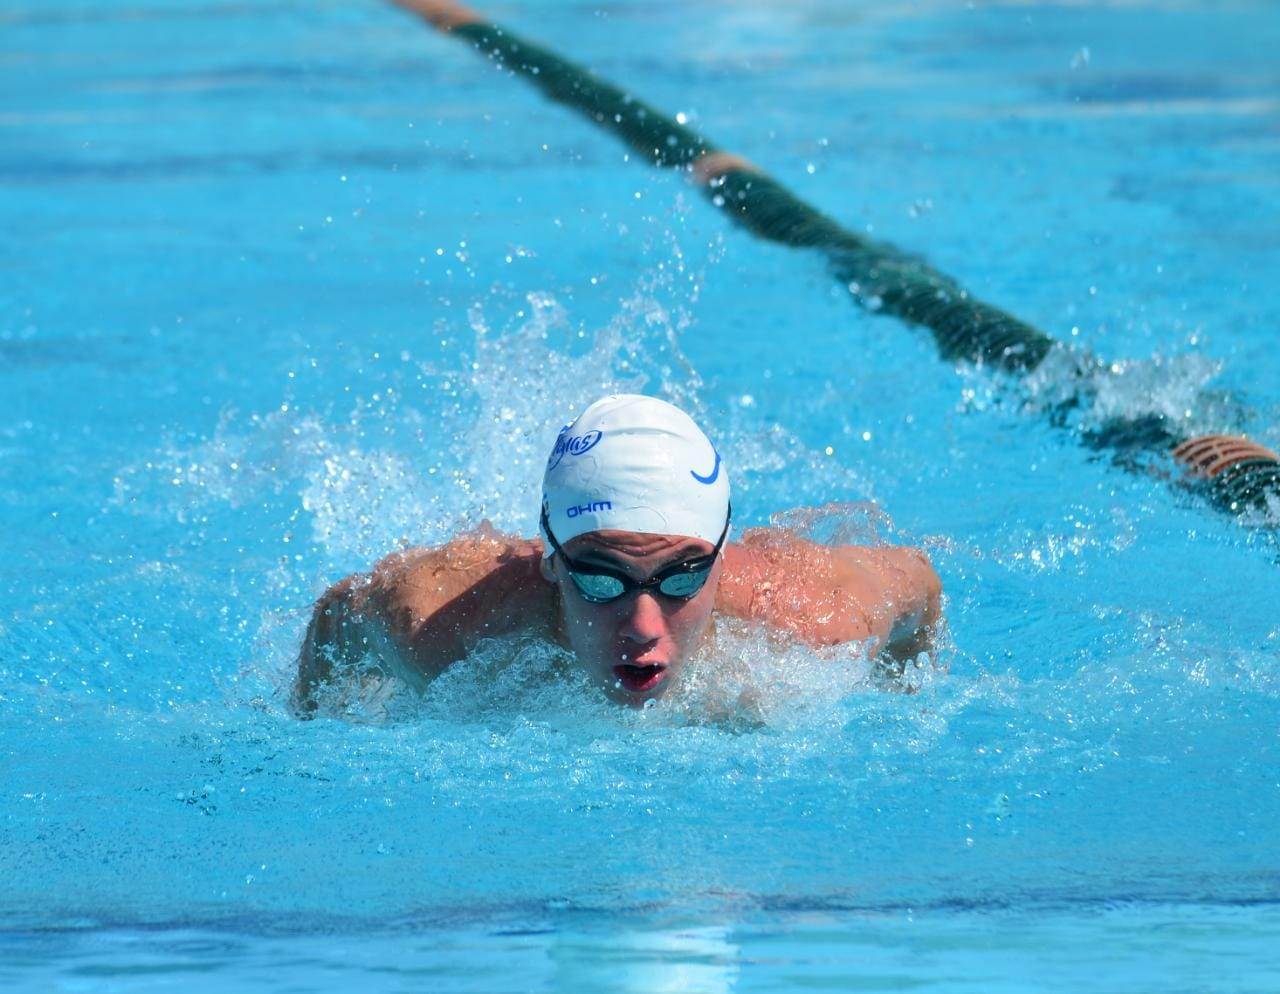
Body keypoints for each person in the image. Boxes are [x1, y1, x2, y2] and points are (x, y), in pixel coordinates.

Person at [294, 395, 942, 711]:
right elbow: (334, 619)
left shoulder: (816, 620)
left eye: (682, 579)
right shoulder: (436, 628)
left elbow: (920, 580)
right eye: (603, 582)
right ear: (552, 561)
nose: (643, 627)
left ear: (719, 559)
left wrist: (905, 703)